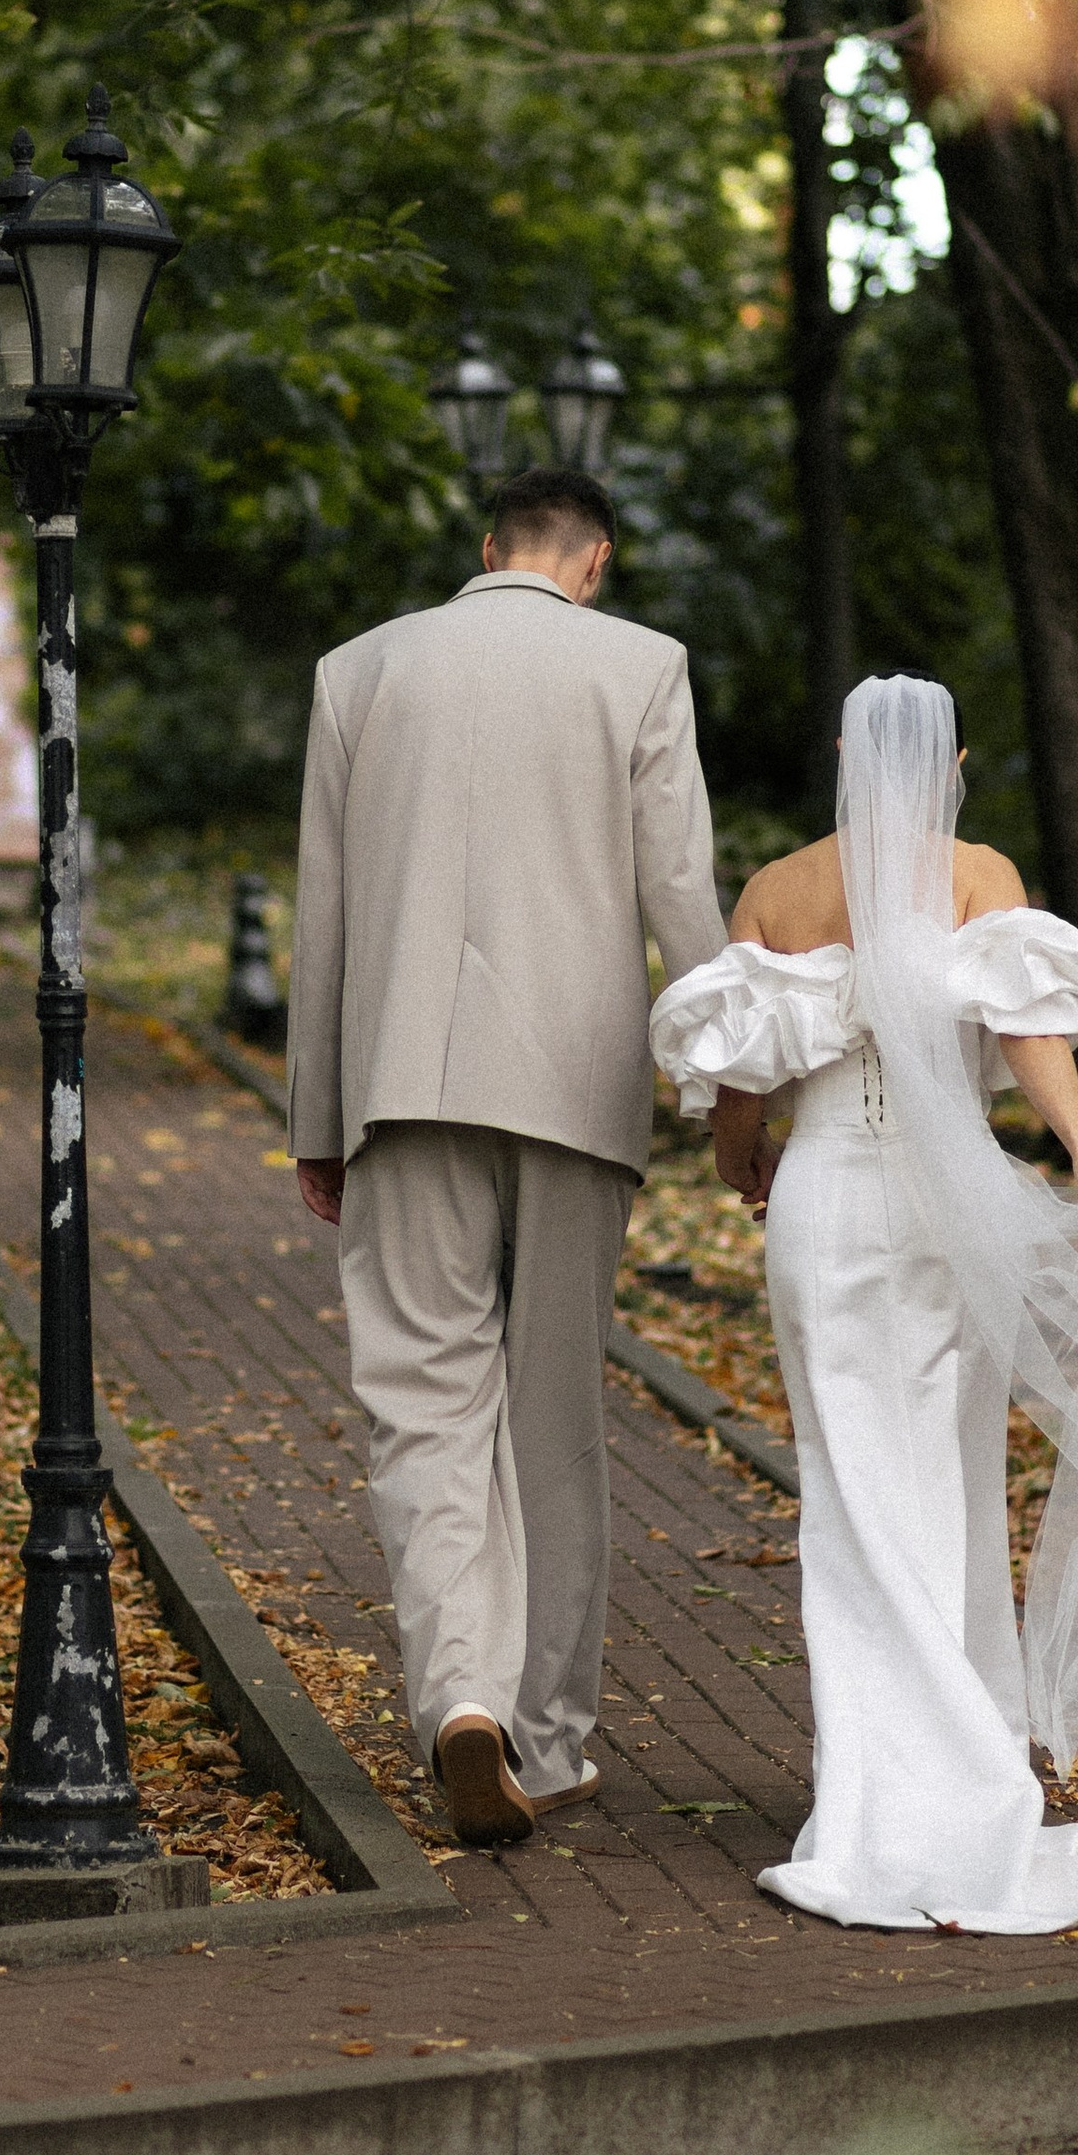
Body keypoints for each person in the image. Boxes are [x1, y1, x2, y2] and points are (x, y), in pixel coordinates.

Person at [648, 671, 1078, 1933]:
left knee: (849, 1491)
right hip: (944, 1211)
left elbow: (742, 1088)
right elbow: (1026, 1033)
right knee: (944, 1483)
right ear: (949, 766)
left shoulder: (780, 890)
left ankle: (881, 1790)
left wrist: (747, 1163)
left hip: (826, 1201)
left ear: (843, 755)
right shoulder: (976, 874)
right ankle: (959, 1762)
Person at [288, 463, 728, 1850]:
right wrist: (731, 1088)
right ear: (595, 561)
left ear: (486, 549)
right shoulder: (642, 671)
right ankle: (548, 1739)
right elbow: (679, 894)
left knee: (423, 1406)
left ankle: (456, 1704)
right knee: (554, 1414)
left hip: (403, 1079)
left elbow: (326, 908)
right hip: (577, 1082)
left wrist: (317, 1113)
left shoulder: (358, 672)